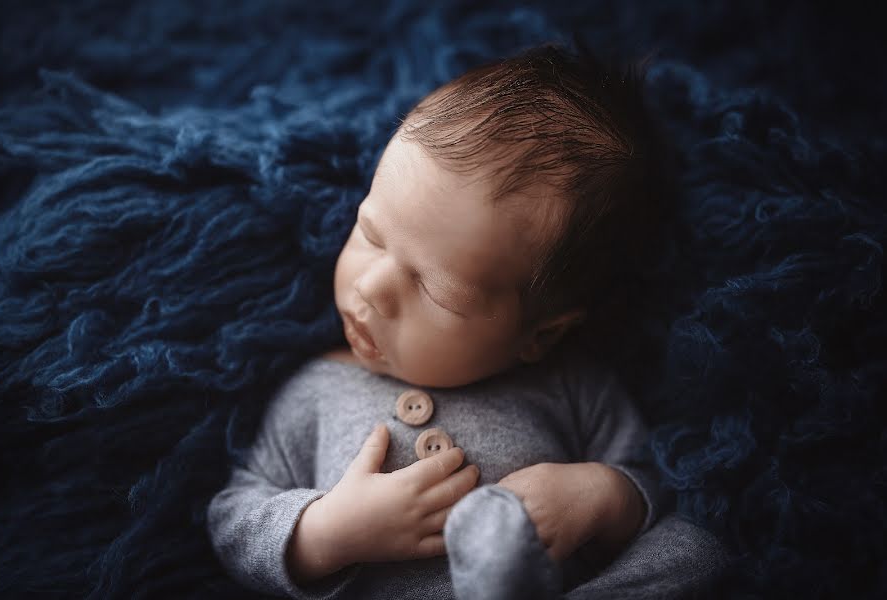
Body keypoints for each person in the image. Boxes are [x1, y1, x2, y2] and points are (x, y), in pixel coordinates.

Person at [206, 42, 729, 599]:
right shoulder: (313, 391)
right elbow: (234, 514)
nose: (372, 287)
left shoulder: (574, 387)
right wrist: (330, 531)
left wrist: (598, 494)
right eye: (370, 234)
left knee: (697, 549)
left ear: (540, 335)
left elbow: (653, 479)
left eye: (437, 290)